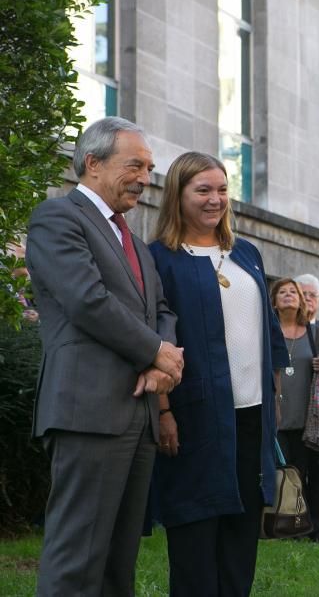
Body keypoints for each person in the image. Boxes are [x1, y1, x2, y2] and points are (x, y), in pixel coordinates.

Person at [26, 116, 184, 596]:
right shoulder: (57, 218)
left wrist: (163, 363)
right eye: (134, 165)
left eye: (150, 168)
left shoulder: (135, 242)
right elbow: (86, 300)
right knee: (77, 558)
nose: (145, 177)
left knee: (120, 562)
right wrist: (156, 351)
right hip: (88, 410)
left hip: (137, 416)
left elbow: (160, 308)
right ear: (92, 163)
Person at [148, 151, 288, 595]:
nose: (215, 200)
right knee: (194, 533)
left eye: (223, 190)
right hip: (195, 417)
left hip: (250, 416)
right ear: (178, 194)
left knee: (240, 536)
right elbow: (155, 337)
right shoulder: (160, 259)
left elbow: (267, 332)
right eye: (203, 190)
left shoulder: (246, 253)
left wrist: (274, 400)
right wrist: (164, 410)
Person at [271, 277, 319, 541]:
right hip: (276, 416)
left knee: (302, 475)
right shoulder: (267, 331)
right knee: (279, 473)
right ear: (274, 300)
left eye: (294, 292)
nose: (289, 295)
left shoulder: (315, 334)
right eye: (283, 292)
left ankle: (301, 526)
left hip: (306, 418)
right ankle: (279, 524)